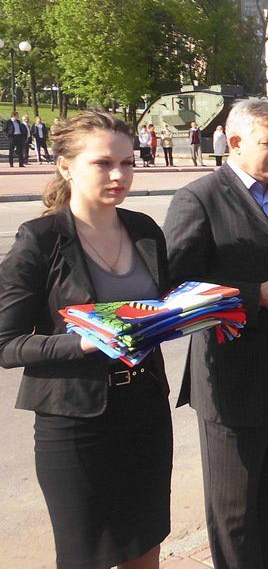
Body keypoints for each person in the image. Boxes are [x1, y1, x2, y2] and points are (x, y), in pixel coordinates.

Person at [0, 110, 172, 569]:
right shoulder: (41, 239)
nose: (119, 175)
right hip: (75, 424)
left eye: (128, 163)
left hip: (145, 413)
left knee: (145, 547)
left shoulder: (144, 230)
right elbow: (7, 342)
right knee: (84, 557)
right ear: (65, 166)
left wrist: (190, 310)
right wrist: (85, 342)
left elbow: (157, 309)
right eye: (103, 164)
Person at [164, 99, 268, 569]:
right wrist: (254, 295)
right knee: (236, 517)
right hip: (234, 385)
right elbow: (174, 289)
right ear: (234, 142)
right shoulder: (199, 199)